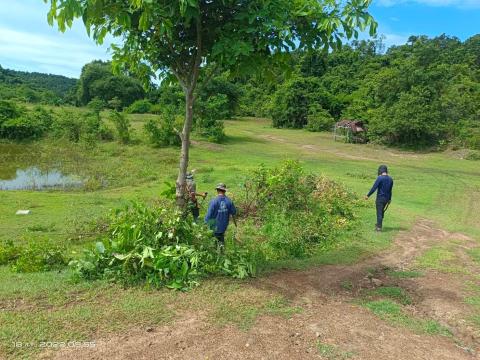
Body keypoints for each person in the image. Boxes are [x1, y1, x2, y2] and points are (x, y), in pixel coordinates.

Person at [204, 183, 237, 248]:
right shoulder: (229, 201)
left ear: (217, 190)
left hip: (214, 226)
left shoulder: (213, 201)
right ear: (224, 191)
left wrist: (205, 223)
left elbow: (209, 215)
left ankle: (217, 252)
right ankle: (221, 251)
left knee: (214, 241)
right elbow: (234, 212)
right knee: (221, 237)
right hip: (224, 225)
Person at [365, 165, 394, 232]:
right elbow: (390, 190)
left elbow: (374, 188)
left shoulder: (380, 178)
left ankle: (379, 228)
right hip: (386, 199)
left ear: (380, 170)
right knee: (381, 212)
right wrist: (389, 199)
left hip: (380, 198)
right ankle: (378, 224)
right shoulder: (390, 179)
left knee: (379, 213)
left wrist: (368, 195)